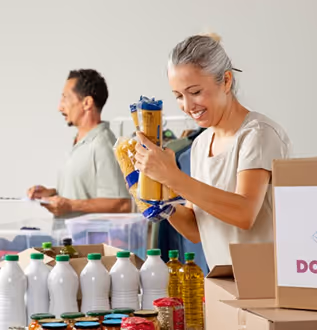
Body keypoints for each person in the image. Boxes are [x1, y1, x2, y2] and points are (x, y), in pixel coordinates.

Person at [134, 33, 291, 270]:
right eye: (178, 96)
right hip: (222, 282)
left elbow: (244, 213)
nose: (187, 106)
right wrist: (161, 200)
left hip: (265, 285)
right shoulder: (200, 144)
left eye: (195, 92)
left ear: (226, 81)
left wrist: (172, 177)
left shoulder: (258, 134)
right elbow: (197, 230)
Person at [27, 69, 131, 234]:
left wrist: (70, 206)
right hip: (68, 244)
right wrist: (50, 194)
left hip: (88, 248)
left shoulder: (102, 145)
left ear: (87, 103)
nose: (59, 106)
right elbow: (85, 190)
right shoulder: (82, 143)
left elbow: (122, 204)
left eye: (65, 98)